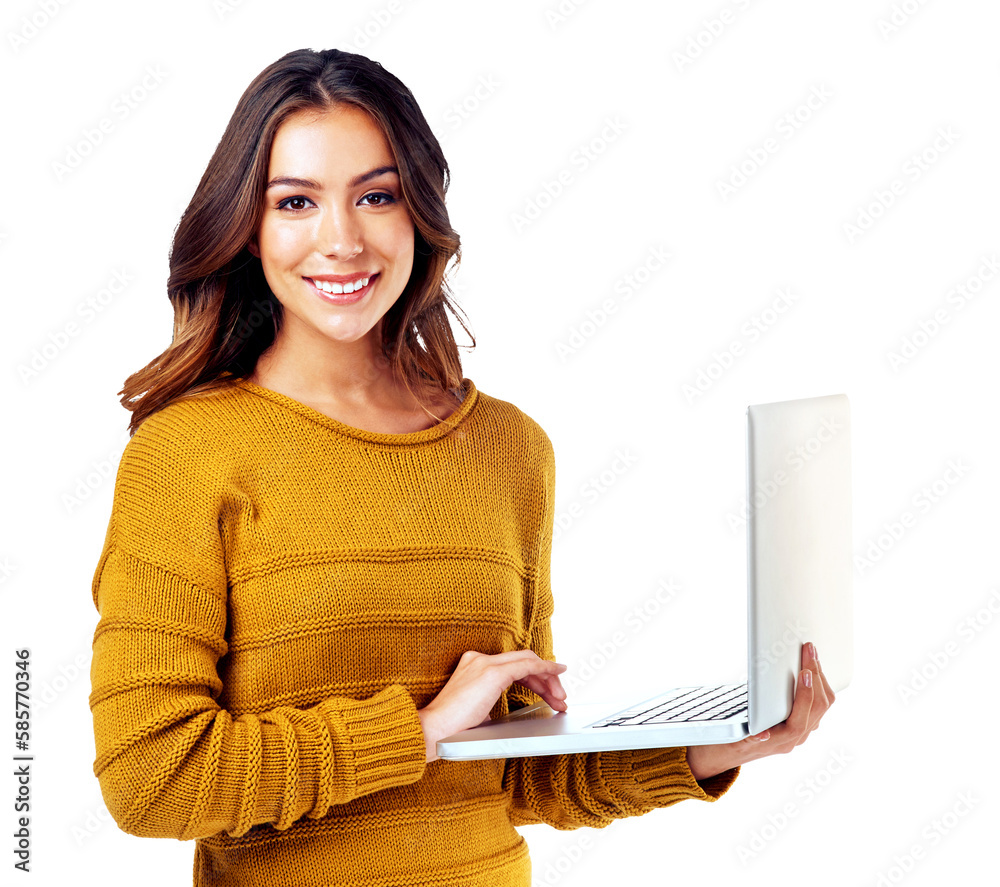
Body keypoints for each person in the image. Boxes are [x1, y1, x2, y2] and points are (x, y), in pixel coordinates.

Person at [88, 47, 834, 887]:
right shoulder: (187, 452)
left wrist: (713, 745)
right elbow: (151, 778)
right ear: (248, 229)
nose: (342, 239)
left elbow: (515, 768)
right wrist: (420, 726)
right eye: (296, 202)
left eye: (377, 196)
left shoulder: (509, 448)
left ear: (420, 216)